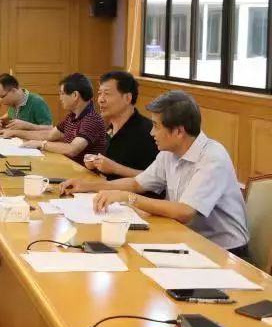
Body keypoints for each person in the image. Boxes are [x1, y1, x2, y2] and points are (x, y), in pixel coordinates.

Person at [60, 90, 249, 255]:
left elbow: (185, 212)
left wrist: (128, 198)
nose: (151, 133)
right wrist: (87, 186)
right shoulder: (169, 152)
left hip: (223, 250)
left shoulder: (212, 157)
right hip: (185, 237)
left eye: (156, 126)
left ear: (179, 132)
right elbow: (137, 183)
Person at [0, 73, 107, 165]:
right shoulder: (72, 116)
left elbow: (72, 149)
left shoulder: (92, 119)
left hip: (85, 175)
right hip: (69, 167)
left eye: (62, 93)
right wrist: (15, 133)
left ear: (75, 95)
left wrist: (42, 144)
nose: (60, 98)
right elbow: (49, 134)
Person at [86, 71, 158, 180]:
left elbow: (157, 179)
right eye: (100, 93)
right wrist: (95, 164)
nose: (101, 100)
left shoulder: (149, 132)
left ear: (127, 98)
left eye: (107, 94)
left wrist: (115, 168)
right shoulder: (110, 129)